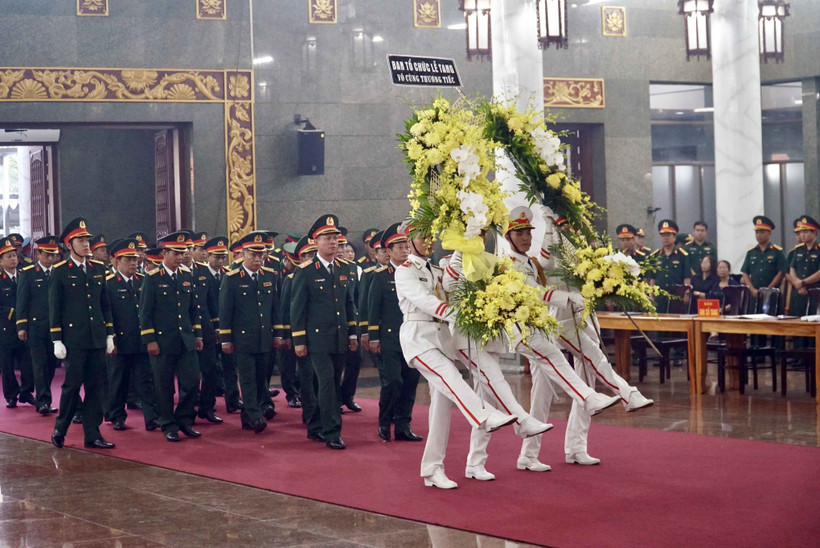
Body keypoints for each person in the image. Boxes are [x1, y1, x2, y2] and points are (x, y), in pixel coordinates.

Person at [395, 226, 517, 489]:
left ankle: (432, 469)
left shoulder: (438, 270)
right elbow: (423, 300)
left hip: (442, 338)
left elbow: (454, 290)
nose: (427, 241)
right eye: (421, 237)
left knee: (441, 408)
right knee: (450, 376)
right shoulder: (404, 270)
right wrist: (452, 313)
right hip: (418, 337)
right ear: (408, 241)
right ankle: (484, 415)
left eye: (430, 236)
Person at [290, 214, 358, 450]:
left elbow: (349, 304)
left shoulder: (343, 269)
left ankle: (315, 425)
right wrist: (298, 339)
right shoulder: (306, 270)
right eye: (327, 238)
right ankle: (332, 431)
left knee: (328, 384)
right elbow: (297, 308)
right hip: (316, 339)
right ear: (315, 242)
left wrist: (352, 334)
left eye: (336, 238)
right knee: (327, 382)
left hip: (339, 337)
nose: (333, 242)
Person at [49, 217, 116, 450]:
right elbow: (54, 308)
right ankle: (60, 428)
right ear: (69, 245)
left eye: (88, 239)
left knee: (97, 387)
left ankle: (92, 433)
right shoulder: (60, 272)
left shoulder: (99, 269)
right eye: (81, 240)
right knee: (72, 386)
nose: (87, 244)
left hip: (96, 337)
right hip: (74, 340)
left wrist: (109, 334)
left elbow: (104, 305)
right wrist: (56, 339)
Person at [139, 231, 204, 442]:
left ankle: (184, 419)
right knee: (164, 385)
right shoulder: (152, 278)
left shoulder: (186, 275)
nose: (180, 257)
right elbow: (145, 313)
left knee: (192, 381)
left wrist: (198, 334)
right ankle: (167, 423)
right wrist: (150, 340)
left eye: (182, 253)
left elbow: (193, 309)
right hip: (162, 341)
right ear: (165, 253)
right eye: (176, 253)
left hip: (185, 340)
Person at [366, 223, 423, 442]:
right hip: (389, 338)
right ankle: (384, 422)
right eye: (398, 246)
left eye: (406, 245)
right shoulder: (380, 276)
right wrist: (372, 337)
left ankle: (403, 425)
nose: (404, 250)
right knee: (393, 381)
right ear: (387, 251)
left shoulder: (416, 272)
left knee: (410, 381)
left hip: (414, 336)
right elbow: (373, 309)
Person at [220, 231, 279, 433]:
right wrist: (226, 339)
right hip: (243, 339)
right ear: (243, 254)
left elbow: (275, 309)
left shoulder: (270, 276)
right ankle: (255, 416)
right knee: (247, 378)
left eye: (260, 254)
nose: (257, 259)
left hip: (264, 338)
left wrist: (278, 334)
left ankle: (247, 416)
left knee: (260, 378)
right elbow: (225, 312)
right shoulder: (232, 278)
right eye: (253, 254)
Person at [105, 238, 160, 431]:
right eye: (128, 259)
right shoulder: (109, 283)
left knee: (145, 380)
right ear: (116, 262)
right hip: (120, 341)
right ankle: (117, 415)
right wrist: (110, 338)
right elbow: (107, 313)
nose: (133, 263)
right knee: (118, 380)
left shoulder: (144, 281)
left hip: (140, 340)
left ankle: (151, 417)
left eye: (135, 259)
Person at [16, 236, 61, 414]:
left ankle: (45, 395)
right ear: (39, 253)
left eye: (54, 255)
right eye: (47, 255)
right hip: (36, 327)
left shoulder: (59, 272)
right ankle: (43, 401)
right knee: (40, 365)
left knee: (51, 365)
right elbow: (22, 302)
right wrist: (21, 326)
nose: (51, 259)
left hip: (56, 328)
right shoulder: (28, 273)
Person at [191, 233, 223, 425]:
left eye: (204, 249)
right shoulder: (171, 273)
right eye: (197, 249)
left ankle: (207, 407)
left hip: (206, 330)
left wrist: (217, 327)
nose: (187, 254)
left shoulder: (204, 273)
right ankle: (187, 411)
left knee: (211, 370)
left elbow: (212, 304)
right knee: (191, 376)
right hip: (184, 333)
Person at [0, 237, 34, 409]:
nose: (14, 259)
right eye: (9, 257)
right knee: (7, 365)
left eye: (14, 255)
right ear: (1, 261)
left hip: (25, 325)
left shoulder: (24, 274)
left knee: (28, 361)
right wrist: (15, 313)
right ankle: (11, 395)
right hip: (6, 328)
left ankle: (26, 392)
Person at [335, 227, 362, 413]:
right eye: (340, 245)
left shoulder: (353, 269)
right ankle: (334, 399)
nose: (343, 249)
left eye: (345, 245)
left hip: (352, 322)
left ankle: (348, 395)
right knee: (335, 364)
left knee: (355, 360)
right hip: (333, 324)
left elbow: (358, 298)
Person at [274, 241, 302, 409]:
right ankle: (291, 393)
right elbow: (283, 309)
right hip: (288, 327)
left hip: (303, 327)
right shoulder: (286, 278)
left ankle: (302, 392)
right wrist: (284, 335)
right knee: (288, 363)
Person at [740, 216, 787, 310]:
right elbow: (745, 272)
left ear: (769, 233)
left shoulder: (777, 251)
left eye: (762, 232)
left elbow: (781, 272)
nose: (759, 235)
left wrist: (768, 289)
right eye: (757, 232)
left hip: (772, 293)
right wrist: (752, 289)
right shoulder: (751, 252)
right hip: (754, 293)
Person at [648, 220, 691, 312]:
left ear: (674, 237)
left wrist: (686, 293)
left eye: (668, 235)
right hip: (659, 296)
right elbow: (652, 278)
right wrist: (651, 294)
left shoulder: (682, 255)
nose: (665, 238)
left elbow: (686, 276)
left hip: (676, 295)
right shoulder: (655, 256)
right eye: (663, 235)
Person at [787, 216, 820, 317]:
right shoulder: (798, 250)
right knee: (796, 323)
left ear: (814, 232)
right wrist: (797, 283)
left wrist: (803, 282)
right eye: (801, 232)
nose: (802, 235)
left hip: (815, 293)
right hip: (798, 293)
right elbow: (792, 268)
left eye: (805, 232)